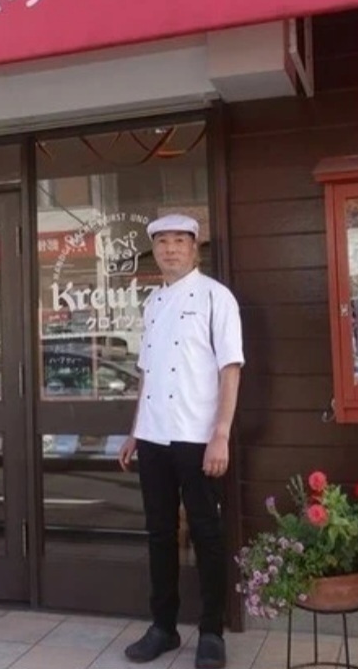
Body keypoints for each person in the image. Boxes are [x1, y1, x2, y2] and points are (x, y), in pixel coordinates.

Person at [117, 213, 244, 669]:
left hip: (197, 436)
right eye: (162, 242)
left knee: (207, 535)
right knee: (159, 533)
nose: (170, 249)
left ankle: (211, 632)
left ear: (194, 248)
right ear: (154, 251)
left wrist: (221, 434)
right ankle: (163, 627)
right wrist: (135, 431)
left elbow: (230, 369)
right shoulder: (152, 302)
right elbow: (147, 373)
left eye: (179, 241)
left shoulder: (215, 297)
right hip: (154, 436)